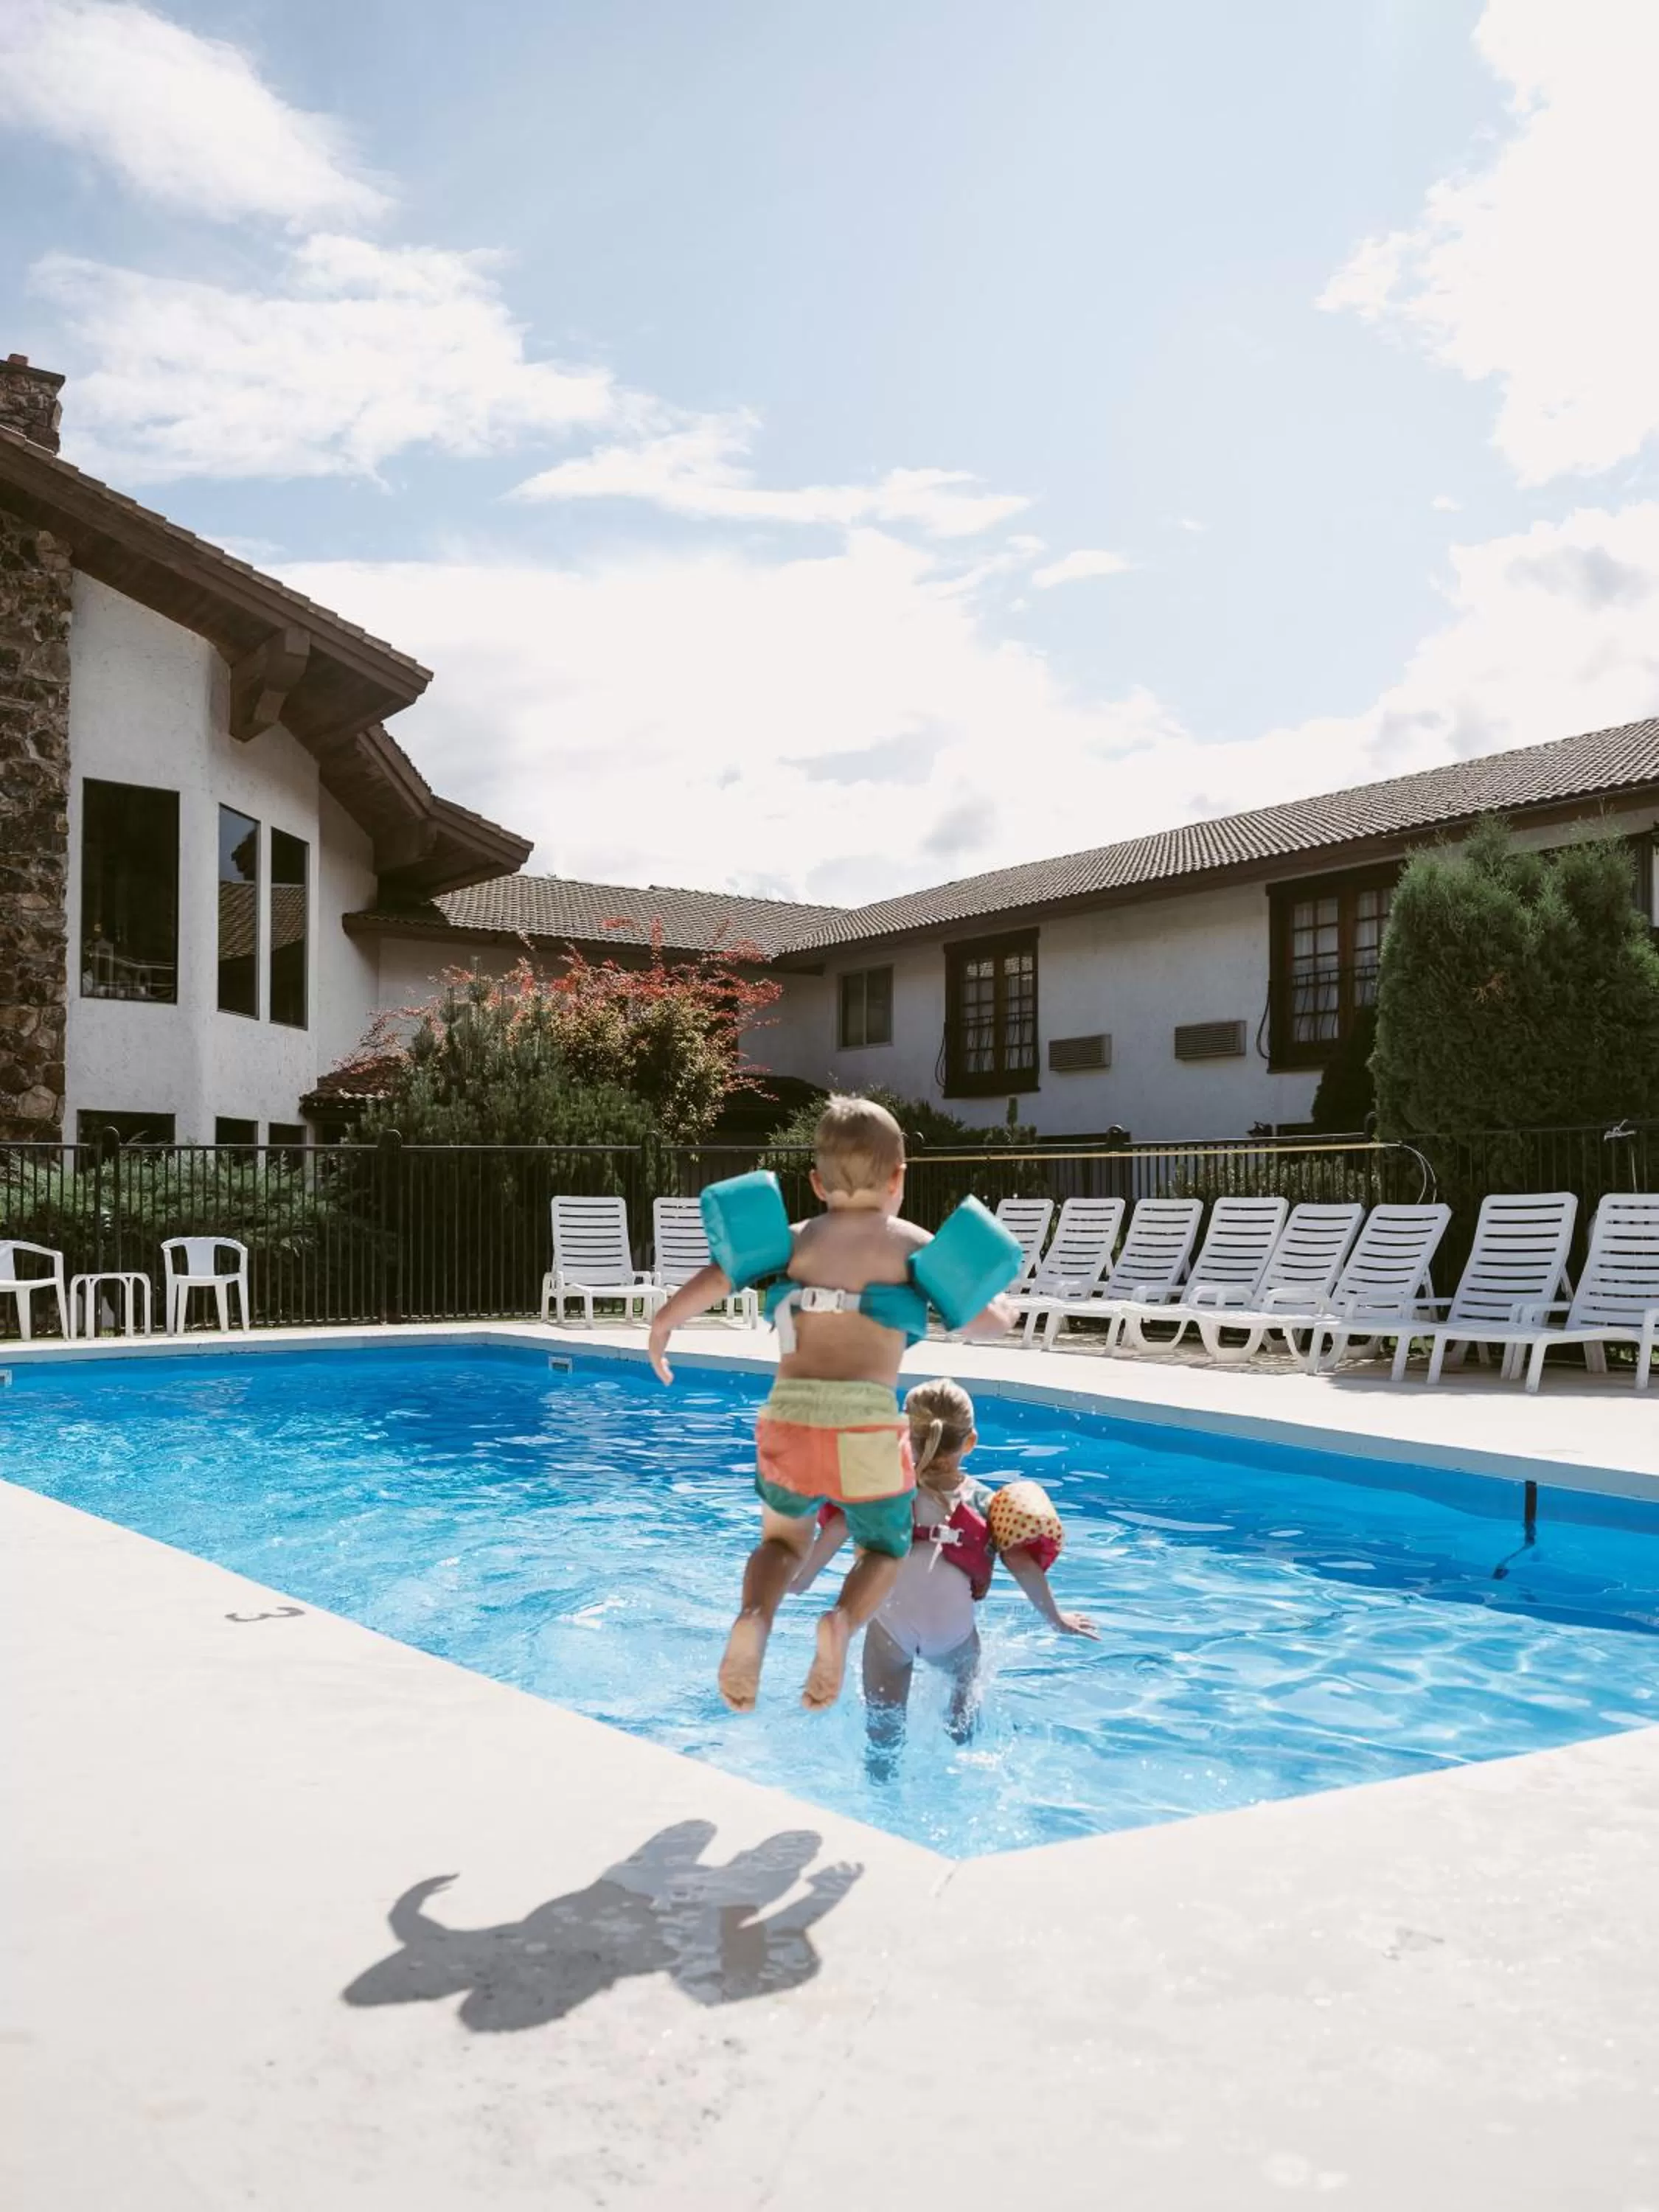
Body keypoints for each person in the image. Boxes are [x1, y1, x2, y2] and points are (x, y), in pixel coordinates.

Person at [647, 1096, 1015, 1714]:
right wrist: (1003, 1310)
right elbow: (980, 1318)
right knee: (881, 1548)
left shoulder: (795, 1242)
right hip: (867, 1422)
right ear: (899, 1178)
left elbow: (719, 1276)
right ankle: (842, 1622)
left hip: (790, 1414)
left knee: (782, 1544)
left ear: (816, 1183)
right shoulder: (907, 1245)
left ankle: (756, 1617)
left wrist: (663, 1325)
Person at [793, 1377, 1097, 1765]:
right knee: (962, 1719)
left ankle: (882, 1790)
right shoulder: (987, 1502)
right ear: (970, 1441)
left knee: (883, 1738)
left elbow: (838, 1526)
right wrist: (1056, 1618)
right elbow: (1021, 1562)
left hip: (891, 1634)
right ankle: (960, 1739)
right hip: (952, 1638)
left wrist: (802, 1580)